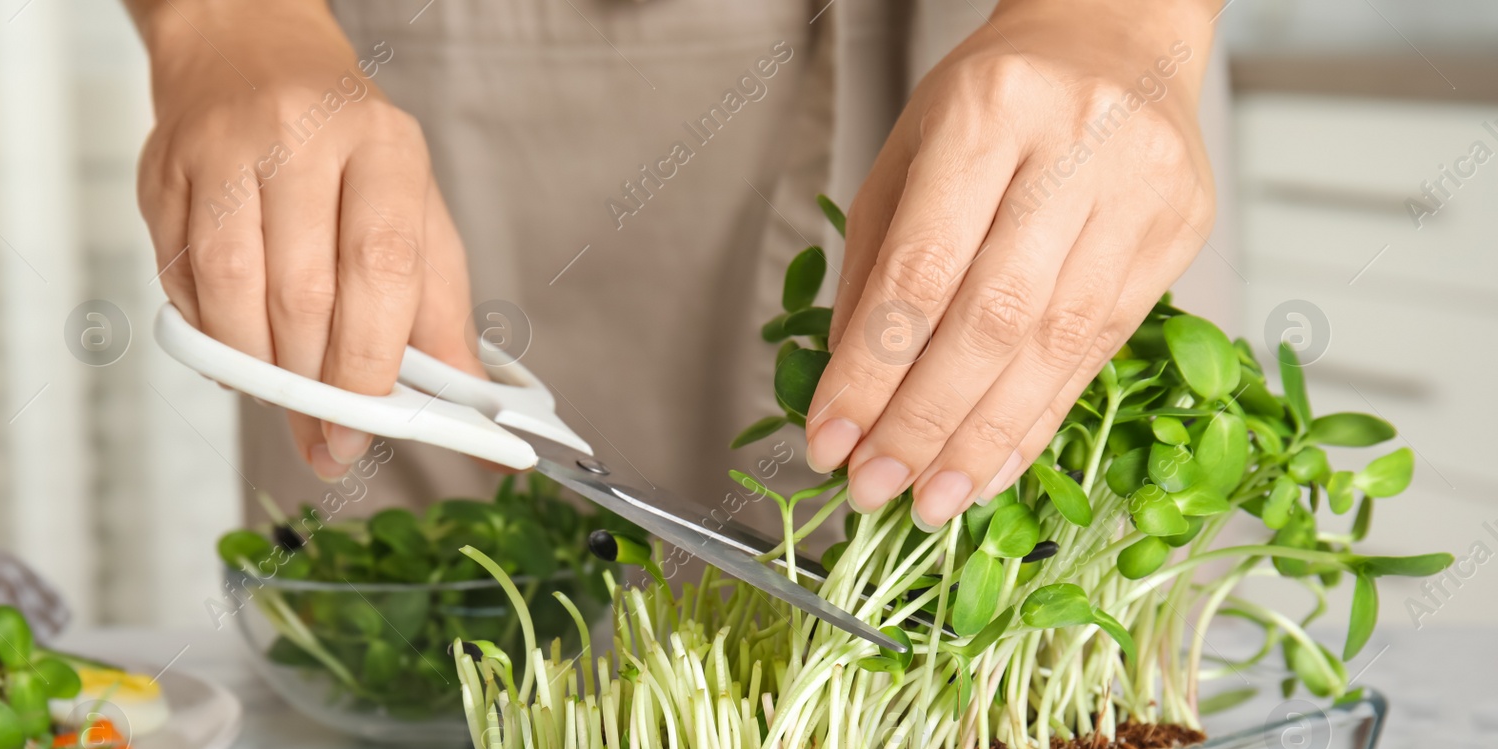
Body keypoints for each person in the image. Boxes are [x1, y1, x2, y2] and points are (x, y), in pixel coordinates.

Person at [124, 0, 1222, 532]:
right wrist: (226, 25)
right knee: (413, 689)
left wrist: (1121, 23)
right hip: (447, 56)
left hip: (1023, 71)